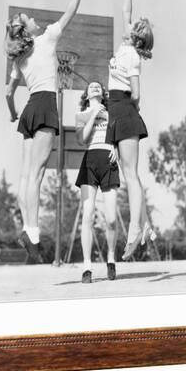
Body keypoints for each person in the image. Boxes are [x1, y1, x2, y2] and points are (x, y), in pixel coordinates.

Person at [5, 0, 90, 263]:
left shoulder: (20, 60)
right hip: (44, 106)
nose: (33, 18)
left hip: (29, 109)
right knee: (38, 175)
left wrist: (13, 114)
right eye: (28, 18)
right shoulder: (48, 39)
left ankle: (28, 231)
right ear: (26, 31)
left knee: (26, 175)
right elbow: (71, 10)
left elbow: (7, 92)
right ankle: (33, 235)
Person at [105, 0, 156, 260]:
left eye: (134, 24)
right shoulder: (126, 43)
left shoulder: (133, 57)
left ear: (135, 35)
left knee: (130, 175)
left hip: (124, 108)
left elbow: (137, 93)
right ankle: (145, 224)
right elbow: (126, 9)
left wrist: (131, 110)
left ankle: (136, 229)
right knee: (127, 174)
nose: (130, 22)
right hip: (117, 110)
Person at [75, 81, 120, 283]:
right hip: (90, 162)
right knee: (87, 216)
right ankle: (87, 267)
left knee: (111, 219)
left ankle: (111, 258)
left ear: (103, 93)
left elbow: (119, 139)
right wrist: (93, 113)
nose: (95, 87)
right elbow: (82, 139)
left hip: (108, 162)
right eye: (91, 86)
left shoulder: (112, 115)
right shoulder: (81, 115)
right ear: (86, 94)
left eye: (98, 86)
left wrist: (116, 148)